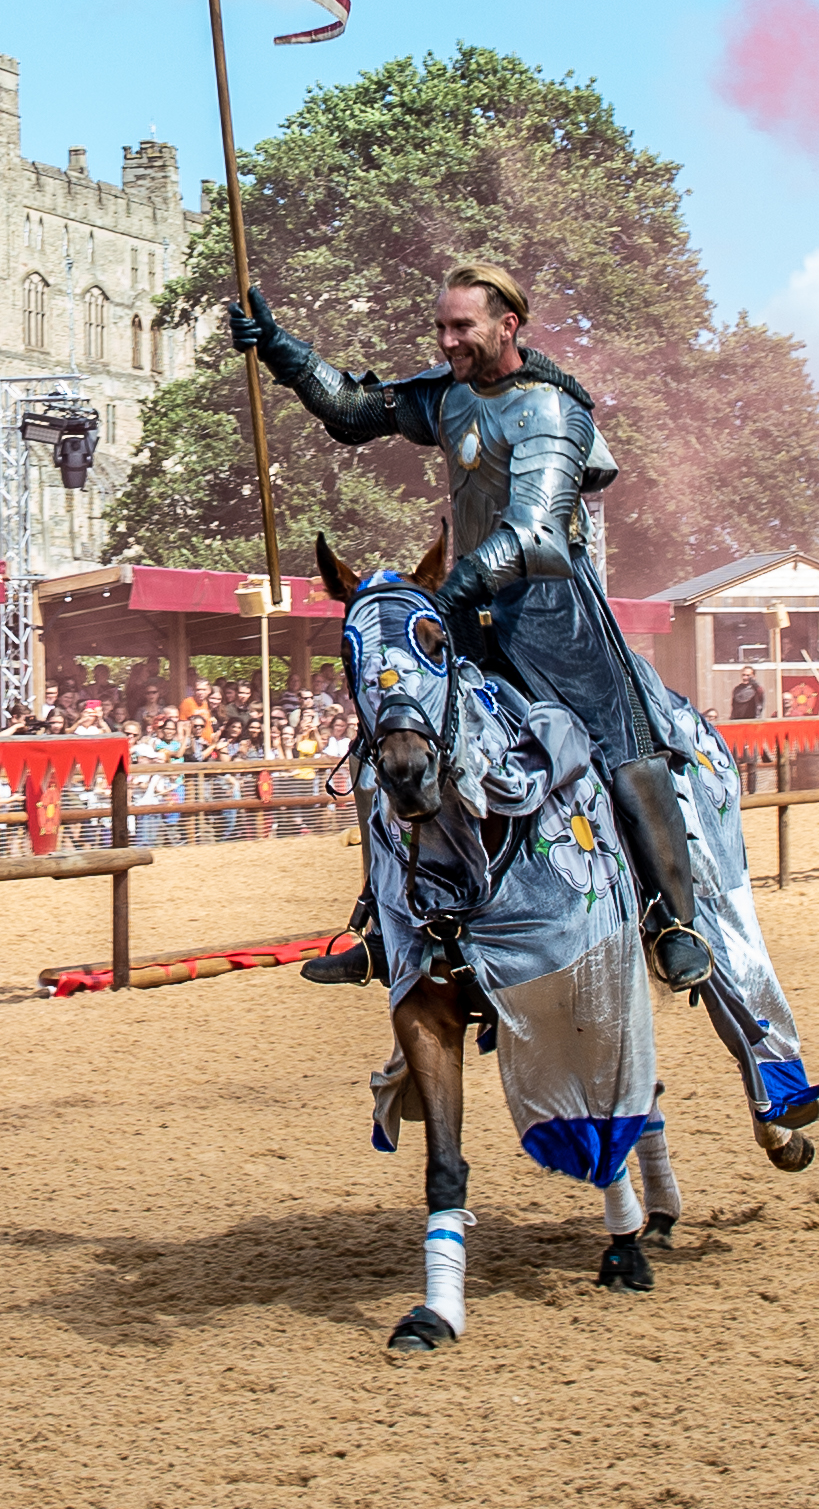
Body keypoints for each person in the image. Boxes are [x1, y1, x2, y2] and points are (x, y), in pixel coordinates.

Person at [235, 257, 709, 986]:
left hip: (551, 611)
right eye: (441, 327)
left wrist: (448, 597)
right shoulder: (450, 396)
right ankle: (383, 922)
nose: (448, 341)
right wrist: (278, 348)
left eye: (462, 326)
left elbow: (534, 532)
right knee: (393, 735)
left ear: (507, 324)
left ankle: (675, 919)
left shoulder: (552, 410)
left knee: (622, 739)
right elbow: (356, 410)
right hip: (464, 607)